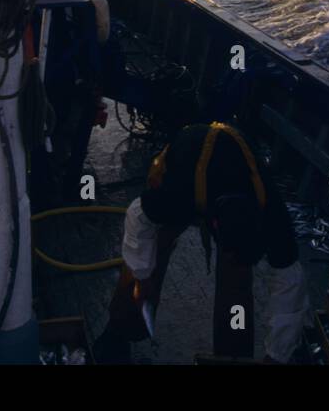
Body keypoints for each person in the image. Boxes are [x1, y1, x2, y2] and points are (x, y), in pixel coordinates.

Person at [95, 121, 307, 363]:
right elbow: (137, 217)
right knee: (147, 257)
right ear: (214, 226)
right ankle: (119, 331)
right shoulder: (177, 193)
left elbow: (290, 283)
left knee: (236, 282)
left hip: (223, 187)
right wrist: (142, 278)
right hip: (189, 171)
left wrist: (277, 356)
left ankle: (232, 357)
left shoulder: (272, 213)